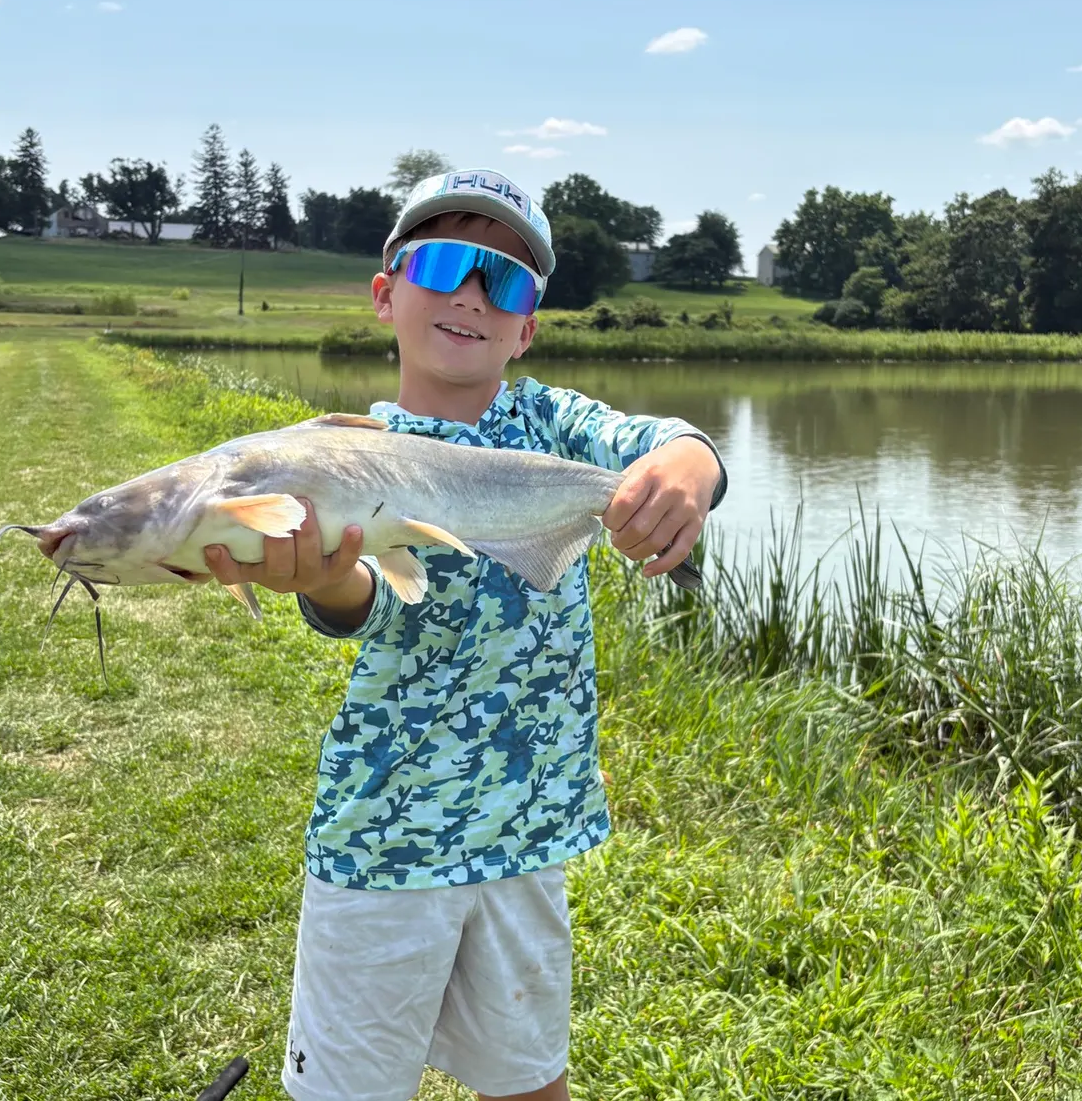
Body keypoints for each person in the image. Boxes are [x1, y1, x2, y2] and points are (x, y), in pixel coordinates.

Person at [204, 168, 726, 1101]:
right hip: (386, 838)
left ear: (527, 328)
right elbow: (362, 602)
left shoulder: (555, 426)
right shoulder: (346, 451)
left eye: (508, 280)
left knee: (530, 1085)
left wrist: (689, 469)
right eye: (445, 264)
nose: (473, 295)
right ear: (386, 293)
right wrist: (322, 577)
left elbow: (672, 441)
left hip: (529, 834)